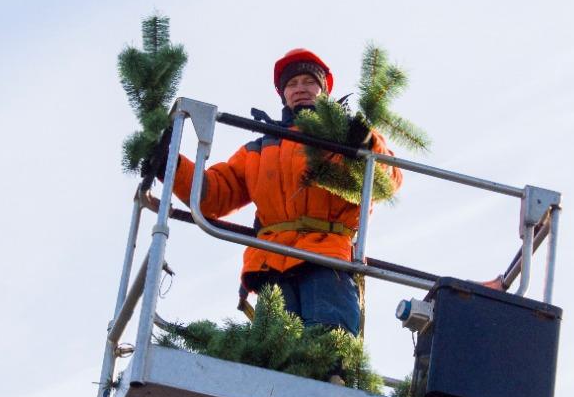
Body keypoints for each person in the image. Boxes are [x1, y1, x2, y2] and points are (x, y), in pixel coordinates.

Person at [155, 48, 403, 340]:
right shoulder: (259, 150)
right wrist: (169, 162)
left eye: (309, 81)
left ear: (324, 89)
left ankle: (333, 374)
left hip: (328, 257)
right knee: (276, 348)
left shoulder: (347, 138)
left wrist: (363, 142)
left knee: (329, 340)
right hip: (271, 262)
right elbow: (214, 194)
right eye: (292, 84)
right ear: (283, 94)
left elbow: (387, 178)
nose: (300, 89)